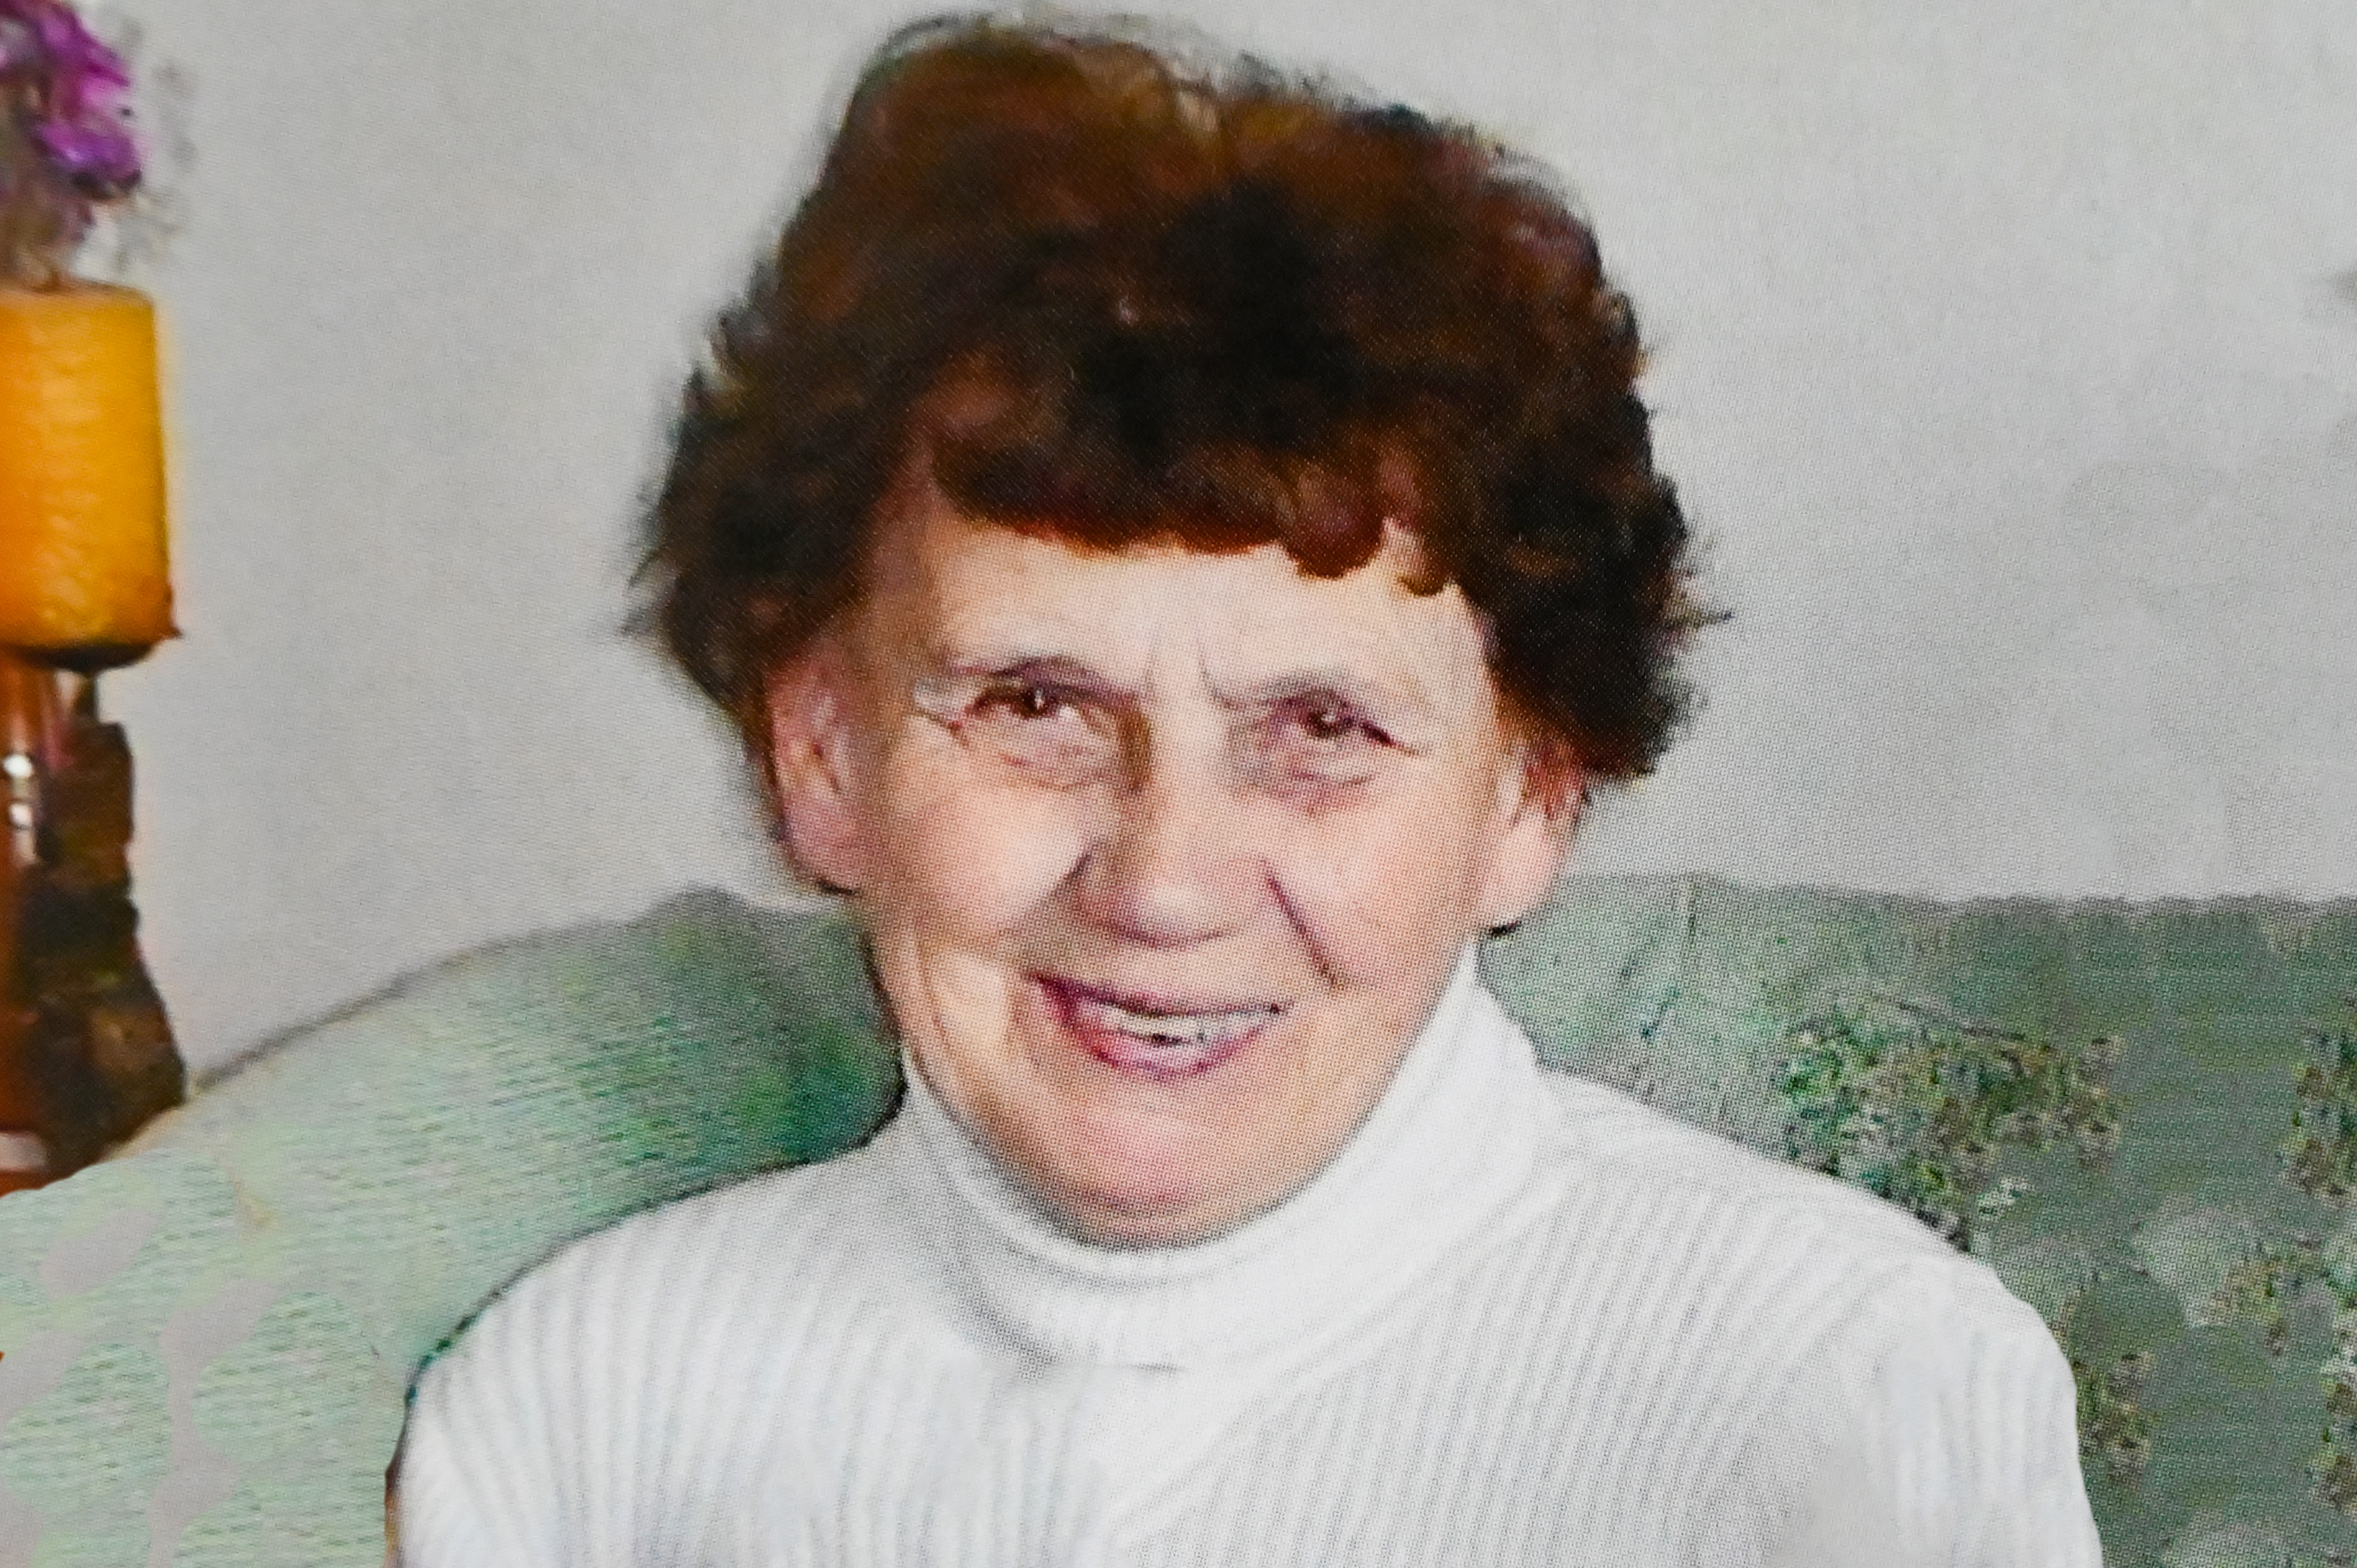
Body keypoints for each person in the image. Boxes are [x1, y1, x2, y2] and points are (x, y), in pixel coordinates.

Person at [394, 14, 2102, 1564]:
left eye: (1321, 731)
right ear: (824, 756)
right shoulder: (584, 1416)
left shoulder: (1848, 1398)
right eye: (1038, 706)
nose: (1164, 882)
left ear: (1528, 797)